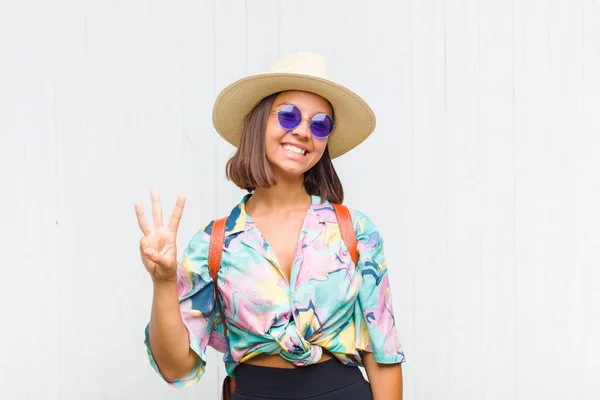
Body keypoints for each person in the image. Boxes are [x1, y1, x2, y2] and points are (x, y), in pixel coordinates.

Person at [135, 52, 406, 400]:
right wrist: (163, 282)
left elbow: (383, 354)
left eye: (320, 124)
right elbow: (176, 367)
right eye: (289, 115)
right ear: (258, 122)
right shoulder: (214, 244)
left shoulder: (355, 231)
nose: (304, 131)